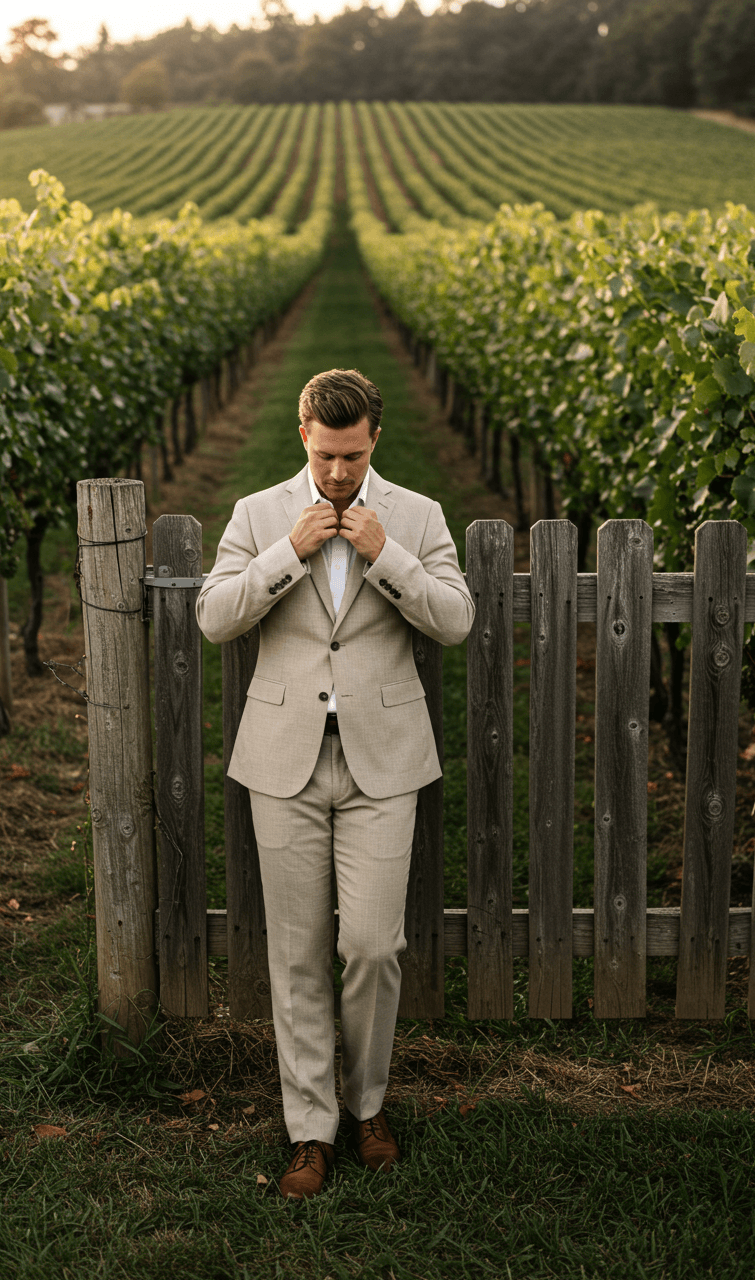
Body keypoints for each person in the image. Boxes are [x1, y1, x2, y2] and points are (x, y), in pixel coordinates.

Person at [196, 368, 474, 1200]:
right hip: (284, 758)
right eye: (326, 455)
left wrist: (387, 556)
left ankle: (371, 1103)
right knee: (297, 953)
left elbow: (456, 621)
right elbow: (214, 618)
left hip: (382, 760)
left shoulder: (418, 516)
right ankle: (310, 1128)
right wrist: (291, 552)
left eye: (352, 457)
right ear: (303, 434)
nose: (339, 473)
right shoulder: (257, 516)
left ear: (374, 441)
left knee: (373, 947)